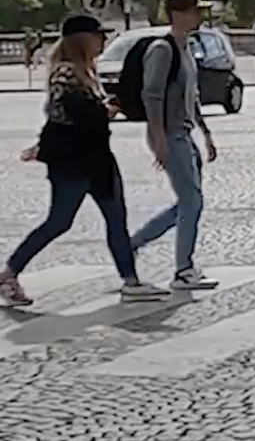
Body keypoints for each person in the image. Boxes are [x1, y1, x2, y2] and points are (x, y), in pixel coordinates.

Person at [0, 16, 169, 306]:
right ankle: (8, 273)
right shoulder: (66, 73)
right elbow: (69, 114)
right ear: (81, 39)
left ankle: (130, 280)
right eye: (97, 35)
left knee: (115, 219)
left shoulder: (85, 71)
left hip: (93, 158)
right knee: (60, 221)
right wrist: (105, 111)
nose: (102, 41)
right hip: (75, 161)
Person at [129, 0, 219, 291]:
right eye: (195, 11)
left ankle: (132, 244)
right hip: (169, 133)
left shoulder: (186, 48)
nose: (200, 17)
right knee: (192, 202)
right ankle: (183, 270)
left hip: (184, 132)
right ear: (178, 14)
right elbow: (151, 95)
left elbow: (191, 97)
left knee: (187, 203)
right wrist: (157, 137)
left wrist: (205, 134)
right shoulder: (162, 49)